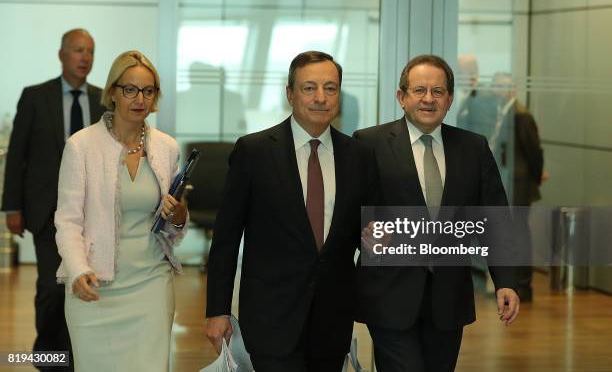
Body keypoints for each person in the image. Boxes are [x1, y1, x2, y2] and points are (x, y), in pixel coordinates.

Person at [205, 51, 378, 372]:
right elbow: (226, 237)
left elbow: (361, 232)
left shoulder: (359, 156)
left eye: (331, 88)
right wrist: (218, 310)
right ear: (290, 94)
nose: (321, 98)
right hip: (271, 315)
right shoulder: (253, 152)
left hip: (332, 317)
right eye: (309, 88)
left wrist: (374, 239)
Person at [354, 55, 520, 372]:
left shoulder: (473, 147)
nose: (429, 99)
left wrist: (505, 281)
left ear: (450, 99)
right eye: (419, 90)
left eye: (438, 91)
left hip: (449, 300)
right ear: (401, 97)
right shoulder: (369, 144)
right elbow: (350, 213)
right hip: (388, 295)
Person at [54, 50, 188, 372]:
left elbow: (173, 223)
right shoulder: (81, 146)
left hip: (150, 284)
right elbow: (68, 220)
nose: (139, 99)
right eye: (129, 89)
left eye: (148, 90)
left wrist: (178, 215)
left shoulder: (167, 147)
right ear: (112, 92)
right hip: (95, 287)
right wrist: (77, 269)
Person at [1, 28, 104, 371]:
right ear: (61, 54)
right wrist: (11, 207)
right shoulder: (35, 96)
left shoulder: (104, 99)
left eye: (90, 51)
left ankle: (80, 356)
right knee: (52, 287)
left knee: (86, 284)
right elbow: (17, 155)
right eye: (78, 50)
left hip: (92, 211)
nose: (85, 57)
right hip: (47, 209)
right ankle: (49, 357)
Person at [492, 72, 545, 302]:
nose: (497, 90)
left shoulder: (520, 115)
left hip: (519, 183)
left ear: (512, 89)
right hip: (510, 180)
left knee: (519, 232)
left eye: (501, 86)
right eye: (495, 86)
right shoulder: (505, 111)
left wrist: (534, 177)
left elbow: (534, 152)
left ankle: (523, 284)